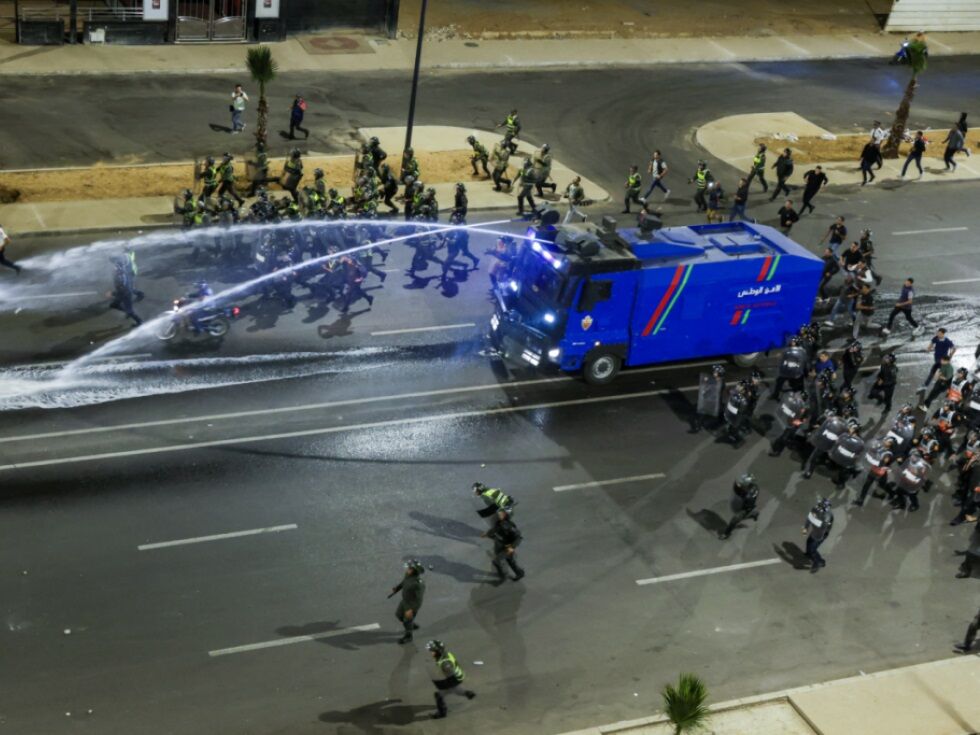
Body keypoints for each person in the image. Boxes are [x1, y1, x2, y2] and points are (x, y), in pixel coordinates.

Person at [426, 640, 476, 719]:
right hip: (457, 676)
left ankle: (442, 713)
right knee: (456, 690)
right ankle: (467, 693)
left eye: (432, 651)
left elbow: (450, 677)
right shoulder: (446, 654)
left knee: (439, 695)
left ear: (438, 651)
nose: (431, 653)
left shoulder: (445, 663)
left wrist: (443, 686)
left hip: (453, 679)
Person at [482, 508, 524, 583]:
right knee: (510, 561)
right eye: (499, 513)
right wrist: (487, 534)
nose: (499, 515)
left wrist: (512, 547)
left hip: (507, 547)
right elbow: (494, 531)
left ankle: (503, 576)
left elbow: (518, 537)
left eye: (501, 514)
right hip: (501, 545)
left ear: (506, 515)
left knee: (497, 561)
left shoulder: (509, 525)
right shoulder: (498, 523)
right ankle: (519, 573)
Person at [390, 559, 425, 644]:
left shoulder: (418, 584)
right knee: (399, 615)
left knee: (407, 621)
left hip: (411, 605)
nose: (407, 570)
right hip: (405, 601)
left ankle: (409, 636)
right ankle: (411, 625)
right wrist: (397, 588)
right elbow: (404, 582)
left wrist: (412, 610)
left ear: (414, 571)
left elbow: (419, 599)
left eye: (409, 568)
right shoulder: (408, 575)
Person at [719, 473, 760, 539]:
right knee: (745, 514)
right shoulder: (747, 487)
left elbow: (747, 503)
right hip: (745, 503)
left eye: (742, 484)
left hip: (746, 507)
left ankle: (726, 534)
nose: (740, 485)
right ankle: (754, 514)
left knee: (735, 519)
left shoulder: (750, 494)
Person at [107, 257, 141, 327]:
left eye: (115, 267)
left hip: (125, 293)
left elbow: (122, 288)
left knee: (129, 310)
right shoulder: (121, 272)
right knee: (114, 305)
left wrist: (112, 293)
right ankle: (128, 312)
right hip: (124, 292)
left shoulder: (120, 276)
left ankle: (139, 322)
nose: (114, 267)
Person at [802, 497, 834, 572]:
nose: (818, 507)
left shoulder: (828, 516)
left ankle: (818, 562)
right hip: (815, 530)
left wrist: (817, 537)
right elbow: (809, 518)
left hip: (821, 533)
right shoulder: (815, 509)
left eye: (821, 506)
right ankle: (809, 554)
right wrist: (805, 528)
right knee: (809, 542)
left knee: (813, 549)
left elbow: (822, 528)